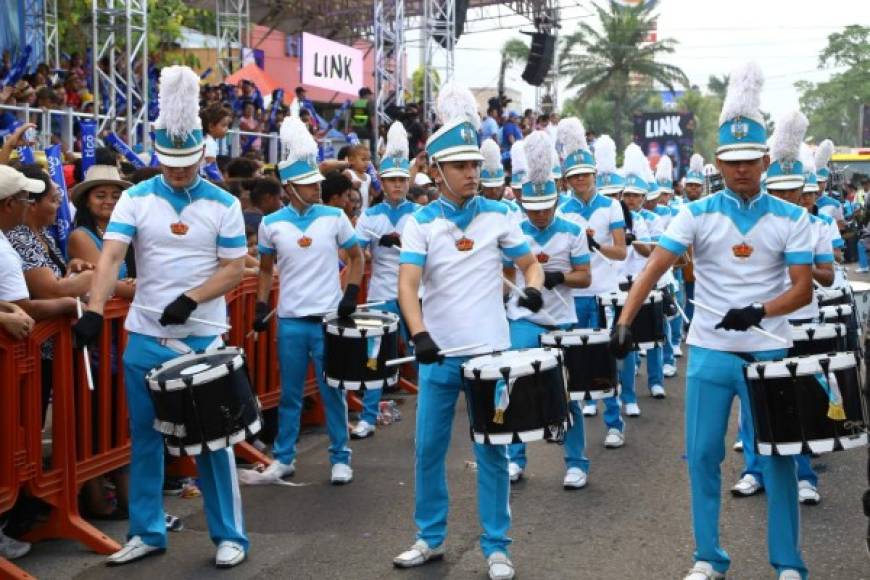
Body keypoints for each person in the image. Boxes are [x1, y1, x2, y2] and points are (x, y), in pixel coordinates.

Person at [610, 62, 811, 580]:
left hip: (770, 351)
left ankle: (788, 563)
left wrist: (760, 311)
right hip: (710, 353)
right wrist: (625, 322)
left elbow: (802, 288)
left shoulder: (793, 218)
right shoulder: (695, 214)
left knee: (779, 458)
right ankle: (708, 558)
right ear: (717, 163)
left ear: (766, 159)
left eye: (750, 160)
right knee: (701, 457)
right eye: (731, 161)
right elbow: (655, 267)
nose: (741, 169)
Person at [72, 65, 250, 568]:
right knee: (145, 438)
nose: (175, 172)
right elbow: (110, 257)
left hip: (201, 340)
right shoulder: (135, 197)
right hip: (146, 336)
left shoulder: (222, 203)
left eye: (183, 162)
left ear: (200, 153)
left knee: (215, 443)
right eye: (167, 163)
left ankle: (230, 535)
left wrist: (193, 298)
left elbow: (235, 268)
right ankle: (147, 531)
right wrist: (93, 309)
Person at [392, 82, 544, 580]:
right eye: (461, 166)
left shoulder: (500, 213)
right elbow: (408, 283)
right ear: (436, 172)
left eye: (476, 165)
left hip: (490, 356)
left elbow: (529, 265)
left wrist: (536, 286)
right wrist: (418, 335)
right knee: (428, 452)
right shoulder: (421, 223)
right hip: (438, 357)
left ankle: (497, 547)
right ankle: (429, 538)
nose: (473, 173)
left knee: (493, 454)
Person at [731, 115, 834, 508]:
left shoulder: (816, 226)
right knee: (752, 401)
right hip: (764, 323)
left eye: (795, 191)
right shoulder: (751, 223)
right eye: (781, 190)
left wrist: (802, 263)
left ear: (805, 193)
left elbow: (823, 275)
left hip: (801, 320)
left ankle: (803, 475)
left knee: (796, 401)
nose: (789, 197)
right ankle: (754, 471)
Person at [254, 115, 363, 485]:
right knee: (290, 394)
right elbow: (266, 269)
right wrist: (261, 304)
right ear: (289, 186)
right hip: (291, 321)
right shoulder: (271, 224)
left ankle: (341, 457)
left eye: (316, 183)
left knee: (333, 390)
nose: (317, 188)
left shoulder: (334, 216)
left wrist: (350, 293)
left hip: (329, 319)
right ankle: (284, 457)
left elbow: (356, 257)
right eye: (308, 184)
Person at [503, 130, 591, 487]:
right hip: (523, 319)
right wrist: (514, 294)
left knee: (565, 393)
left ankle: (576, 463)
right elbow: (505, 275)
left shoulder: (573, 229)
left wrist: (561, 278)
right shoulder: (512, 231)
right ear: (524, 205)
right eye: (532, 210)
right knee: (516, 389)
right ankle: (515, 458)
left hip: (562, 321)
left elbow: (585, 277)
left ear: (556, 202)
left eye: (545, 209)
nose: (539, 217)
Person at [556, 117, 628, 447]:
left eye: (585, 174)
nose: (580, 180)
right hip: (574, 294)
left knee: (605, 358)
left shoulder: (611, 205)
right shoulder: (562, 210)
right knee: (572, 358)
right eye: (574, 177)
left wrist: (595, 245)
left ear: (594, 175)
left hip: (605, 293)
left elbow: (621, 252)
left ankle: (614, 422)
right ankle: (580, 407)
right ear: (567, 180)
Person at [352, 122, 419, 439]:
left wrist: (401, 245)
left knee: (421, 353)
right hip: (380, 294)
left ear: (408, 182)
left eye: (401, 181)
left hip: (414, 294)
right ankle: (368, 415)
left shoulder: (421, 214)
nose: (397, 186)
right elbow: (354, 252)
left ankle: (429, 416)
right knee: (374, 358)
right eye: (391, 180)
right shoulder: (370, 215)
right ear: (382, 182)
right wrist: (377, 241)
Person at [68, 165, 136, 300]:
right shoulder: (81, 237)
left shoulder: (133, 232)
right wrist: (146, 287)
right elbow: (105, 282)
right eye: (100, 196)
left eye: (116, 197)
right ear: (87, 201)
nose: (109, 201)